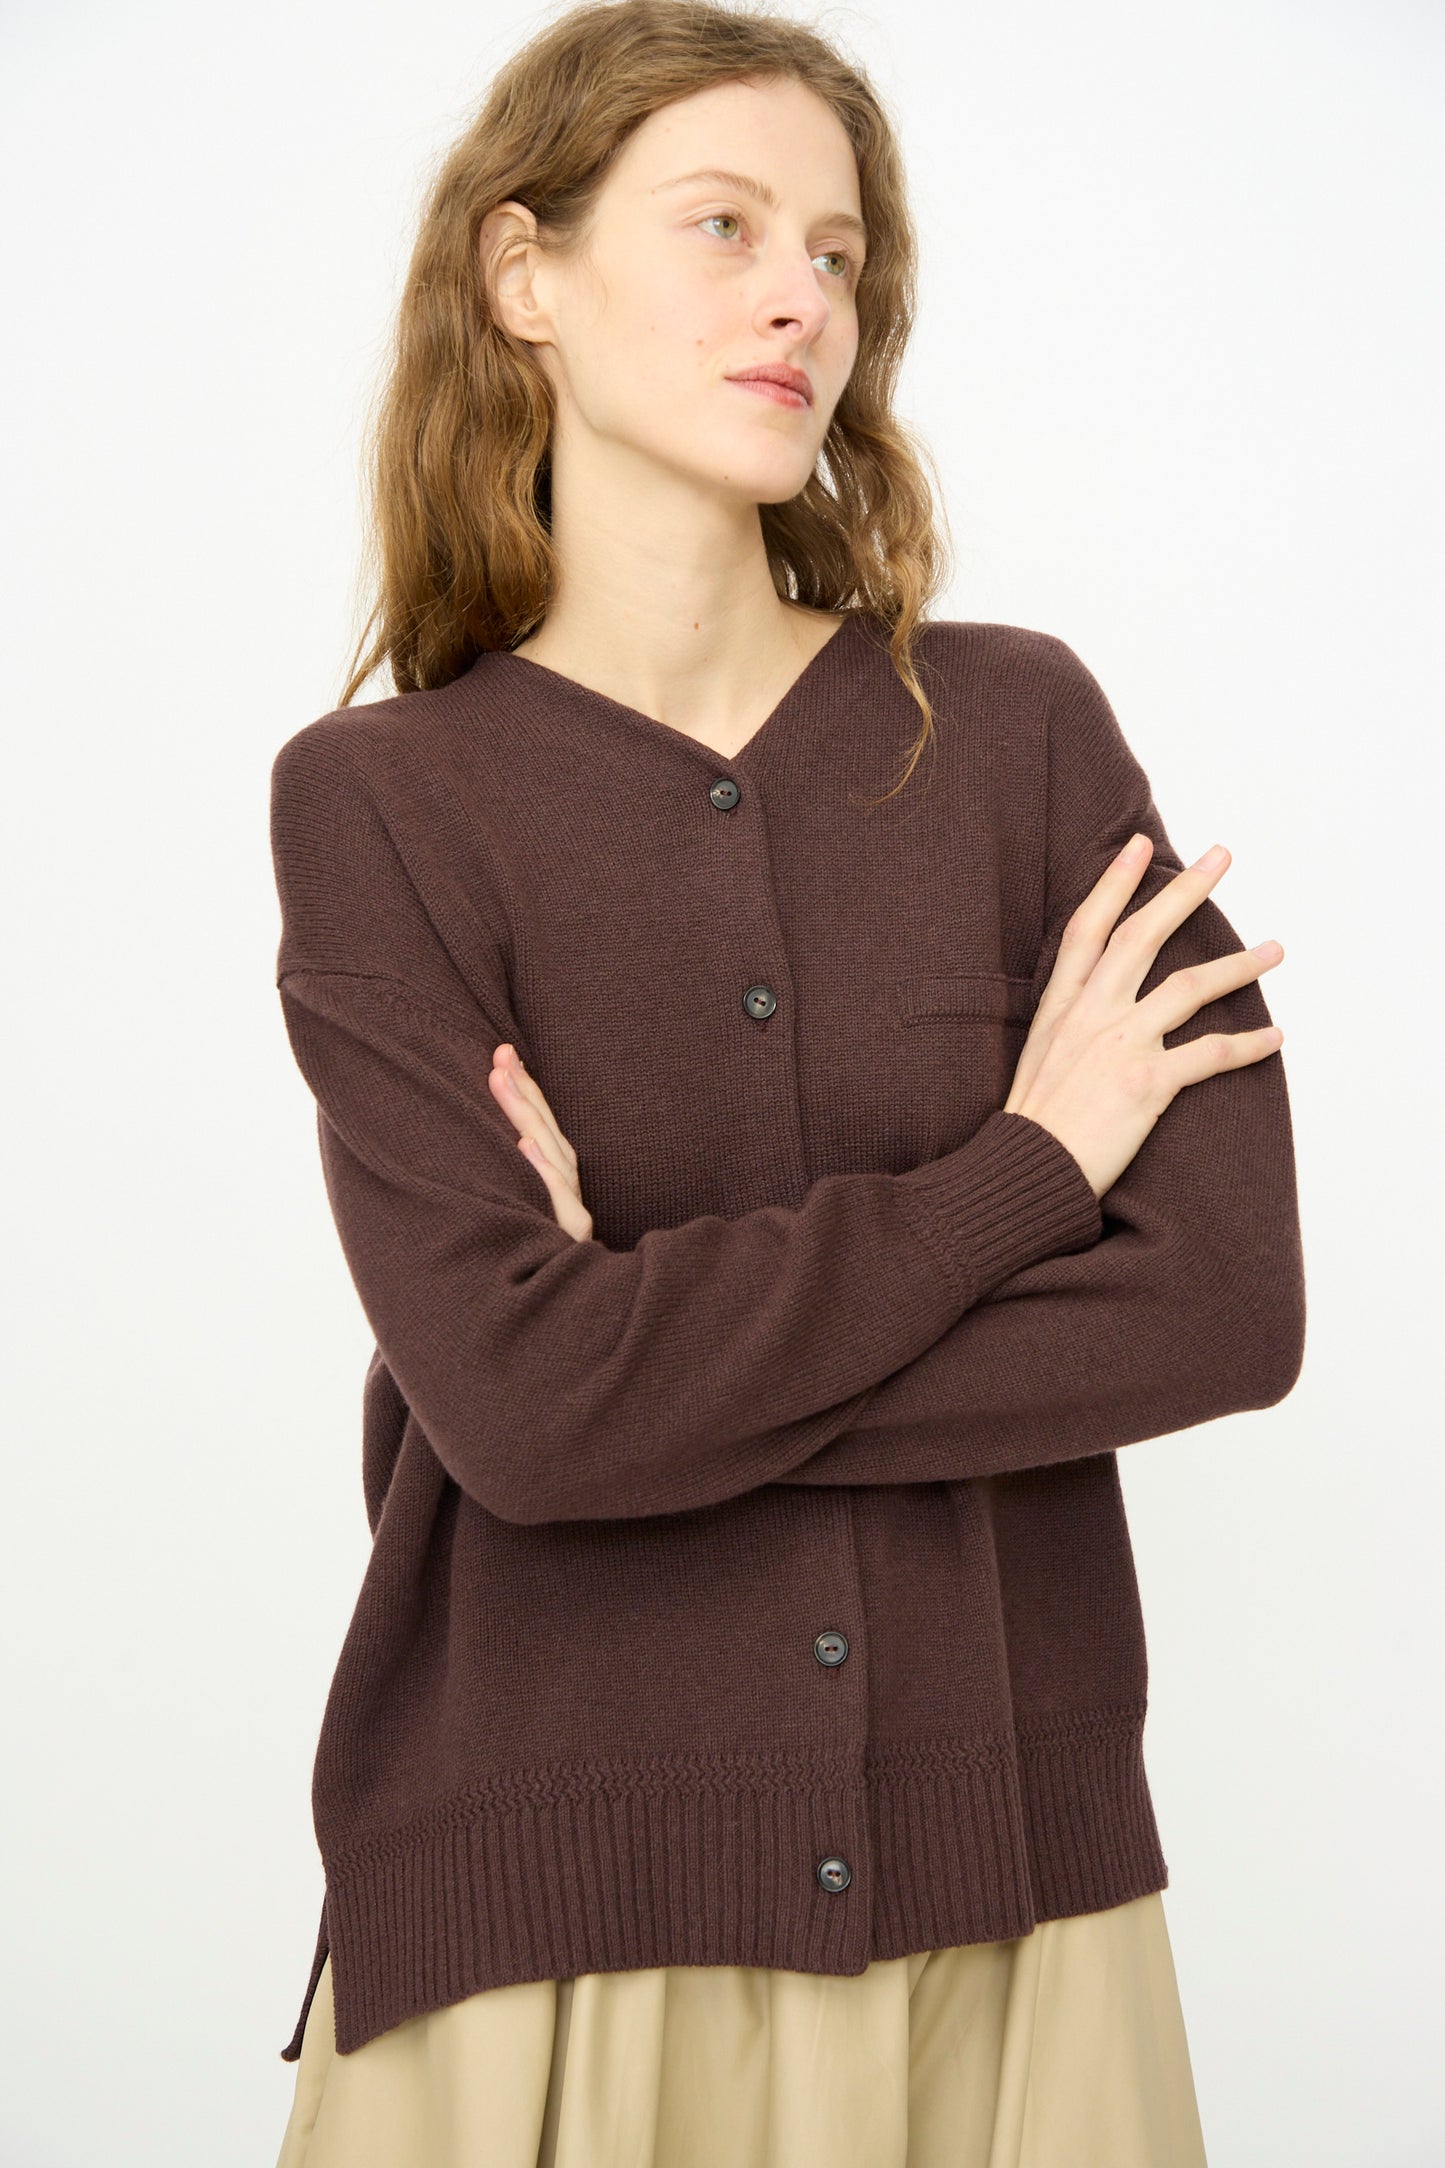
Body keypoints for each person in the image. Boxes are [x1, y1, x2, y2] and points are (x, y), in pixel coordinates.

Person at [269, 3, 1304, 2162]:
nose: (799, 300)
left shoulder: (1019, 735)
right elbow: (520, 1415)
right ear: (525, 274)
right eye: (724, 226)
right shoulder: (380, 806)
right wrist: (1026, 1175)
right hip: (545, 1914)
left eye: (837, 254)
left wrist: (634, 1370)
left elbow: (1223, 1309)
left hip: (1010, 1907)